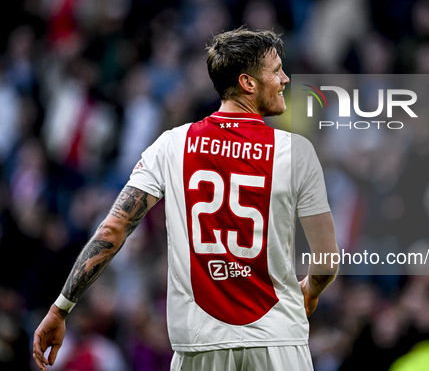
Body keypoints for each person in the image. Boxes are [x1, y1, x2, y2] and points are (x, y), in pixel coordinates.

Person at [32, 27, 339, 371]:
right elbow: (326, 261)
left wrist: (60, 308)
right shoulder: (296, 151)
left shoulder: (172, 145)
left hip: (200, 345)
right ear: (248, 83)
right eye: (276, 70)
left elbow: (112, 229)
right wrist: (310, 291)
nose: (284, 79)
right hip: (277, 341)